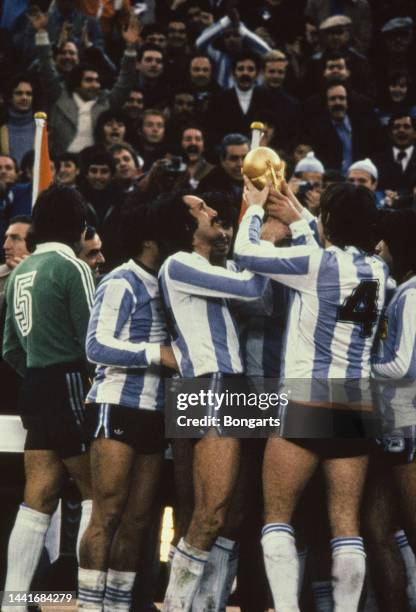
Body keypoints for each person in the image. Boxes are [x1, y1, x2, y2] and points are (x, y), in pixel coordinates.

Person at [233, 180, 388, 612]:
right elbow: (326, 244)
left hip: (305, 400)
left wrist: (255, 207)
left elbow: (247, 255)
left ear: (330, 221)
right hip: (357, 404)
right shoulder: (379, 270)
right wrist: (301, 213)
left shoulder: (316, 263)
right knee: (346, 525)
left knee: (278, 517)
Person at [158, 190, 267, 611]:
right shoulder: (180, 263)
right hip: (209, 383)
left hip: (225, 384)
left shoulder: (204, 267)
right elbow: (255, 287)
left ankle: (208, 605)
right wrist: (255, 217)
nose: (211, 211)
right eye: (201, 208)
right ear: (186, 225)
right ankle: (178, 605)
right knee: (210, 514)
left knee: (233, 515)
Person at [77, 197, 177, 611]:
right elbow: (95, 345)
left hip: (155, 411)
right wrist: (158, 354)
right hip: (115, 405)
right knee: (108, 514)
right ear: (151, 240)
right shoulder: (120, 280)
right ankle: (87, 605)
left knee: (138, 520)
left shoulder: (172, 281)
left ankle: (116, 606)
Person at [2, 186, 95, 609]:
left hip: (35, 384)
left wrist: (38, 371)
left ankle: (12, 601)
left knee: (37, 495)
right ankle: (95, 600)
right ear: (79, 226)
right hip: (70, 381)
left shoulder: (21, 270)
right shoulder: (70, 266)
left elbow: (8, 349)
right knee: (98, 491)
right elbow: (94, 341)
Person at [363, 208, 416, 612]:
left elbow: (402, 365)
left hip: (409, 426)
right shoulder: (398, 292)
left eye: (384, 240)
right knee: (376, 528)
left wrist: (361, 366)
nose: (378, 248)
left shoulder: (412, 295)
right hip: (389, 427)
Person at [33, 13, 139, 156]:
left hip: (94, 166)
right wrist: (41, 34)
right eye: (89, 80)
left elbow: (126, 82)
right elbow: (46, 68)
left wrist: (131, 47)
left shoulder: (106, 101)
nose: (95, 85)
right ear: (77, 83)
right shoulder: (60, 96)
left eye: (97, 81)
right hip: (63, 164)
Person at [195, 5, 271, 89]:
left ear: (243, 38)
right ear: (223, 40)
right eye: (227, 36)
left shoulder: (254, 59)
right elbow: (199, 44)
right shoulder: (218, 58)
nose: (231, 39)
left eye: (236, 35)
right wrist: (225, 22)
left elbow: (269, 53)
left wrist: (240, 28)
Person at [198, 133, 249, 209]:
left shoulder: (258, 181)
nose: (240, 164)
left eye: (245, 157)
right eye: (234, 158)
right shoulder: (208, 185)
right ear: (222, 160)